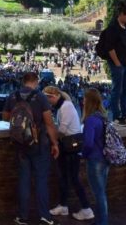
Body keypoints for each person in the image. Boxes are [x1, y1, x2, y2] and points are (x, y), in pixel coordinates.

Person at [3, 72, 59, 225]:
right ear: (35, 81)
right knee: (41, 179)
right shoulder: (40, 97)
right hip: (38, 143)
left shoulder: (13, 96)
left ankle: (22, 216)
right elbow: (49, 123)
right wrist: (55, 143)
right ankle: (44, 216)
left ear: (23, 82)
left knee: (24, 180)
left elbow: (5, 117)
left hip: (20, 143)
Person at [44, 85, 94, 221]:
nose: (48, 103)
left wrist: (51, 134)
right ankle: (63, 205)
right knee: (66, 178)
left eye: (48, 99)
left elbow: (62, 130)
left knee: (73, 179)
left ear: (53, 97)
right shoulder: (63, 106)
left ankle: (86, 208)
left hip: (70, 148)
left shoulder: (65, 107)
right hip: (69, 148)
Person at [97, 1, 126, 124]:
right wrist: (117, 63)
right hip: (117, 63)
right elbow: (110, 48)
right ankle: (116, 115)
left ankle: (125, 114)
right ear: (122, 15)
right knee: (117, 89)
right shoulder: (112, 28)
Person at [80, 87, 109, 225]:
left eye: (84, 98)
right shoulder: (102, 117)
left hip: (95, 159)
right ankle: (100, 221)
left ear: (89, 101)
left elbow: (88, 143)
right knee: (101, 192)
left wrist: (83, 155)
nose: (82, 101)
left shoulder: (90, 120)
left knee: (99, 194)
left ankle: (102, 222)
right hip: (105, 158)